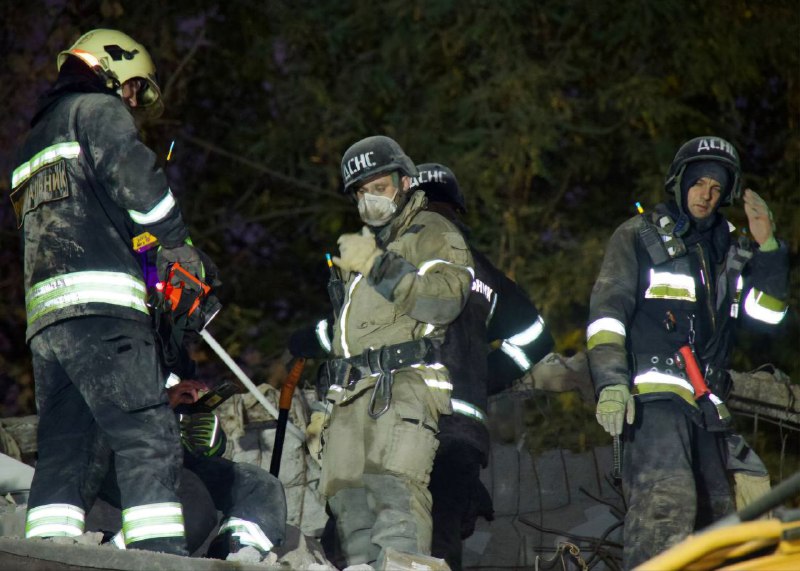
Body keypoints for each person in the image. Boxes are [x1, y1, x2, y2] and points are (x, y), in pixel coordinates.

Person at [10, 29, 212, 555]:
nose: (131, 101)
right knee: (147, 436)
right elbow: (136, 180)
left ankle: (46, 558)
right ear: (108, 66)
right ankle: (157, 560)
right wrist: (177, 249)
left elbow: (79, 220)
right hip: (105, 312)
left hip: (48, 325)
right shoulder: (97, 112)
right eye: (132, 88)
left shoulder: (32, 143)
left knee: (64, 447)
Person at [586, 136, 789, 569]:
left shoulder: (734, 247)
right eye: (698, 182)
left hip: (708, 408)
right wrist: (611, 384)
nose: (706, 194)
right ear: (679, 183)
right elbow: (606, 315)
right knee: (667, 502)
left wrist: (768, 248)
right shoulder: (638, 236)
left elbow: (768, 317)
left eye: (717, 187)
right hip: (655, 400)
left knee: (721, 522)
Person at [318, 136, 473, 567]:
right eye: (361, 193)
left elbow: (444, 300)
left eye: (379, 187)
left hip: (402, 389)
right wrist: (325, 406)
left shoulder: (432, 232)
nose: (370, 201)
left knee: (395, 503)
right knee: (348, 512)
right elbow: (347, 340)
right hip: (350, 398)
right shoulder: (372, 246)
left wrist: (377, 266)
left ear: (405, 182)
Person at [412, 163, 555, 570]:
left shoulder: (395, 264)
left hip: (406, 424)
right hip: (463, 432)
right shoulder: (483, 271)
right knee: (441, 543)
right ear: (457, 210)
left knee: (393, 536)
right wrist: (483, 378)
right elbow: (537, 337)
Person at [84, 379, 288, 561]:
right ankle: (115, 555)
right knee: (193, 503)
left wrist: (198, 432)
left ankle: (237, 557)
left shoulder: (173, 346)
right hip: (115, 454)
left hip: (170, 453)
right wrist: (158, 406)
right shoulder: (108, 344)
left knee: (260, 486)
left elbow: (182, 416)